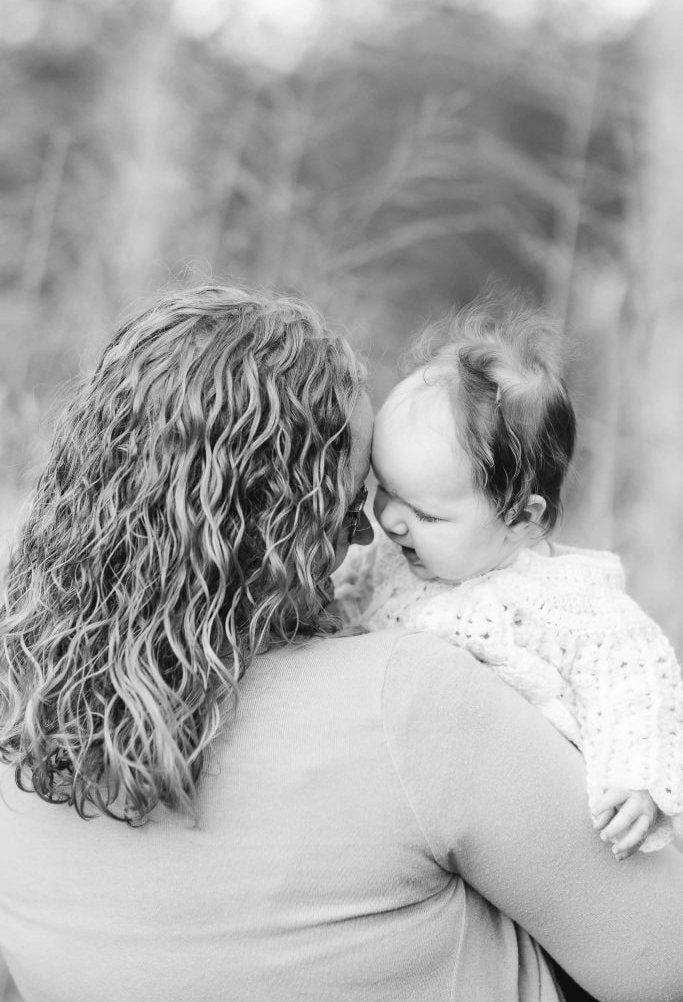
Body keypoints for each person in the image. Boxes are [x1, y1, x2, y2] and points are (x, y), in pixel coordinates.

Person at [0, 285, 682, 1002]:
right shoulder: (412, 701)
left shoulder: (20, 723)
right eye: (349, 501)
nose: (368, 535)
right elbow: (665, 961)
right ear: (275, 523)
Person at [334, 291, 683, 861]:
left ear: (521, 519)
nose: (390, 520)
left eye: (425, 513)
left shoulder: (559, 599)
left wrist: (635, 776)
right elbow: (338, 607)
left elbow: (637, 677)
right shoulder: (386, 562)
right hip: (415, 802)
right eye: (384, 491)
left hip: (530, 821)